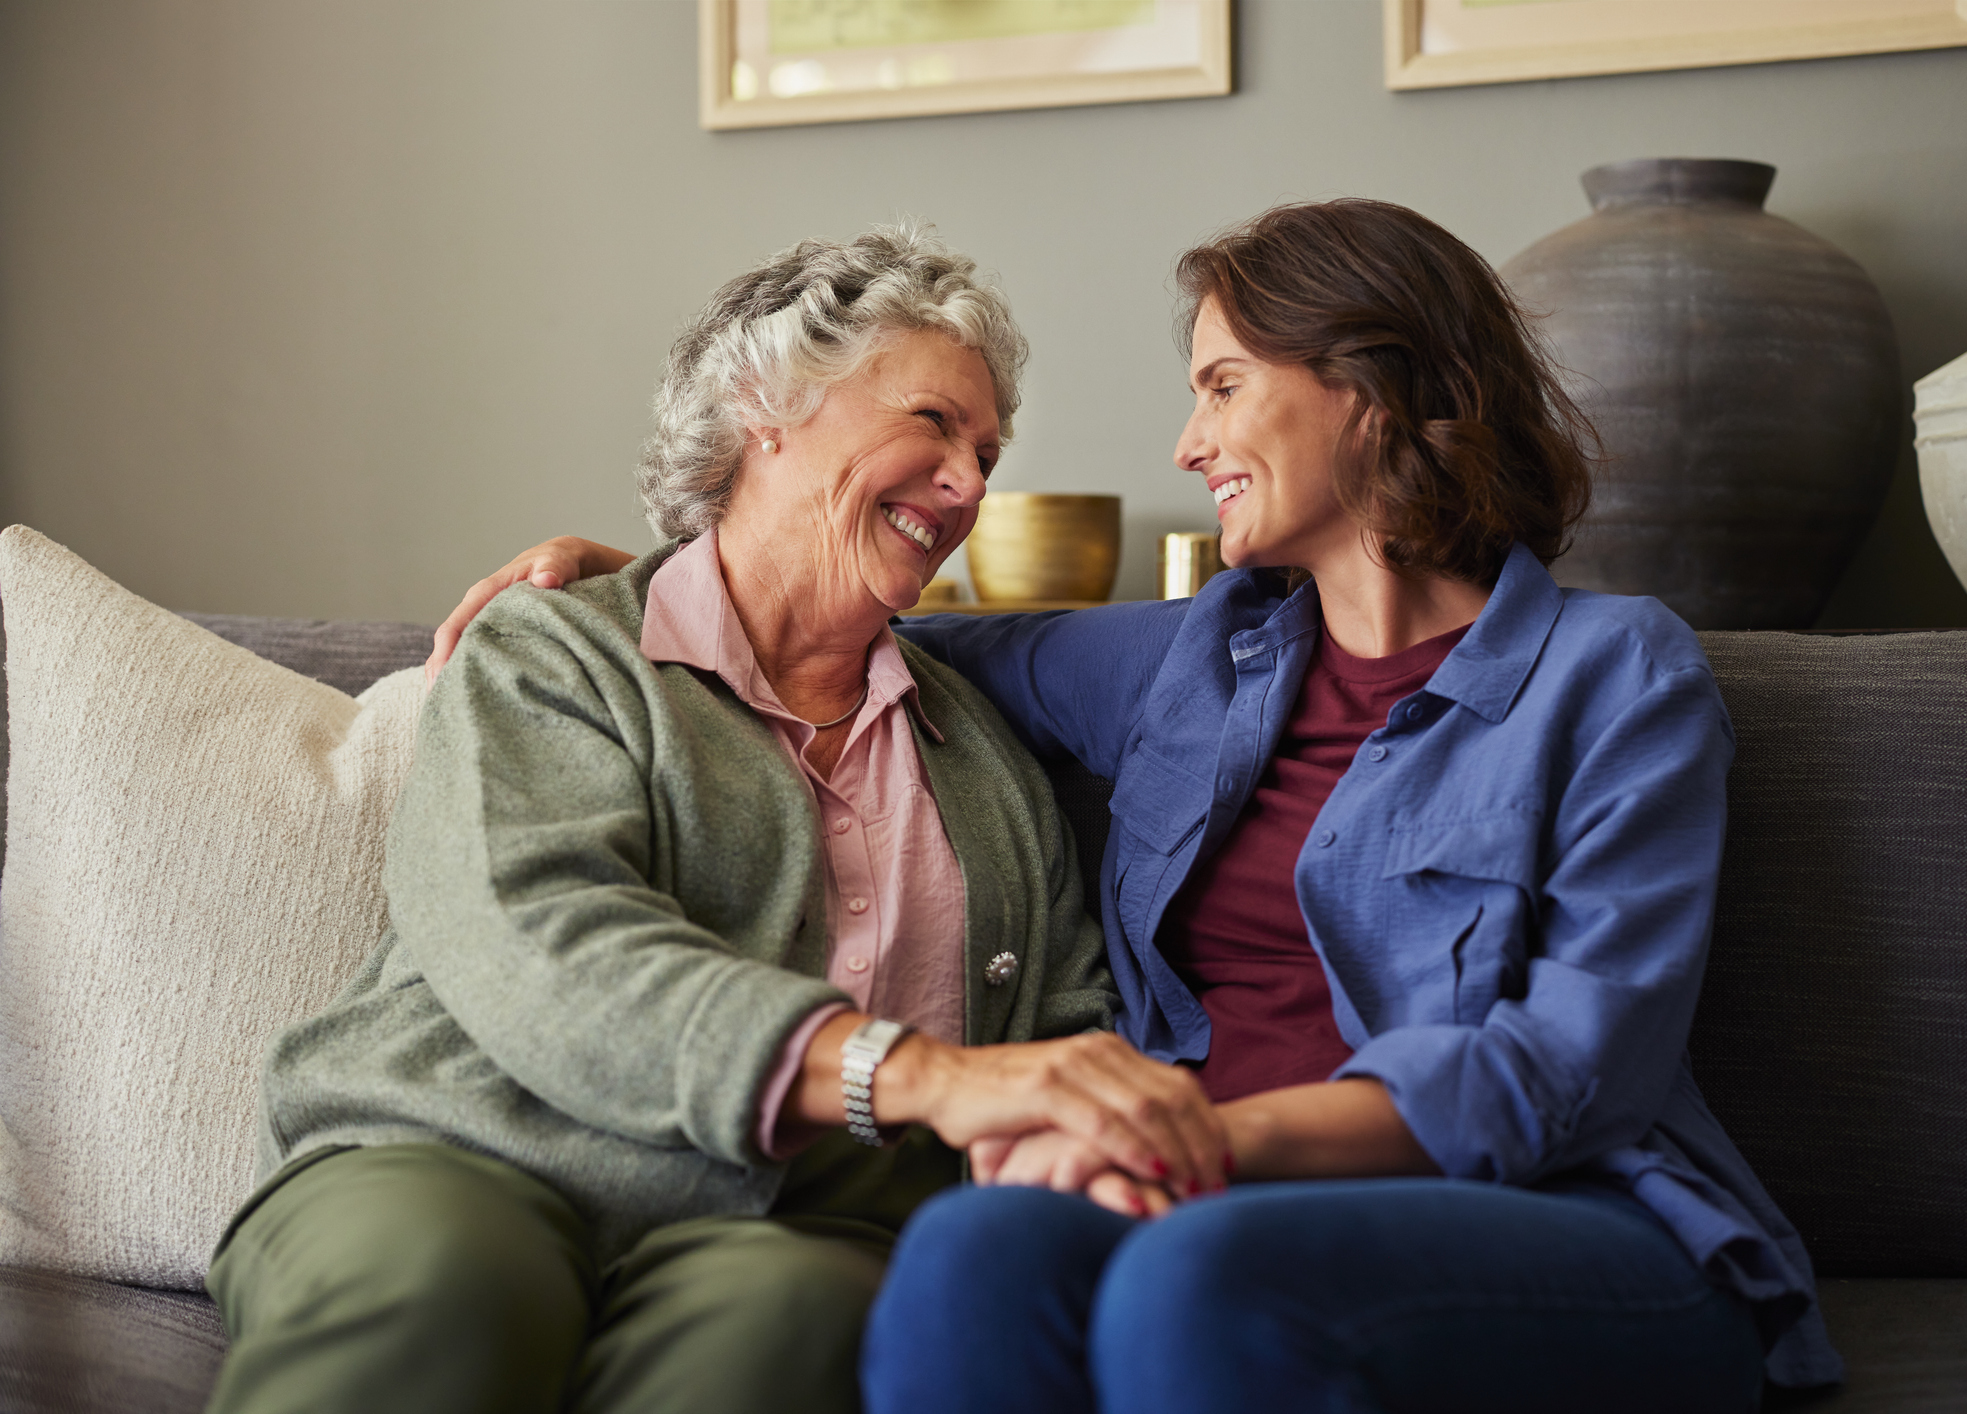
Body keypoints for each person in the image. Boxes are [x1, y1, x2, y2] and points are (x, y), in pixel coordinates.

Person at [437, 200, 1841, 1412]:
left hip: (1560, 1222)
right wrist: (681, 572)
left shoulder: (1614, 674)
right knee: (970, 1249)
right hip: (1199, 1200)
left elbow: (1567, 1068)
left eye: (1223, 385)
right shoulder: (1195, 661)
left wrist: (1210, 1138)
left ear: (1364, 387)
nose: (1188, 439)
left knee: (1195, 1270)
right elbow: (887, 629)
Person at [206, 225, 1229, 1414]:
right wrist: (911, 1074)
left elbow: (1057, 1021)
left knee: (790, 1321)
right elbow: (541, 938)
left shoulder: (987, 756)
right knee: (447, 1285)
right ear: (766, 411)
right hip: (465, 1151)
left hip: (786, 1221)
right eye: (933, 424)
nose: (969, 485)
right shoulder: (560, 653)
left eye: (987, 450)